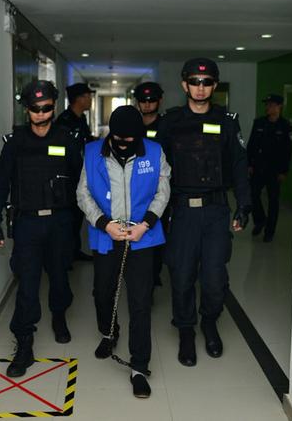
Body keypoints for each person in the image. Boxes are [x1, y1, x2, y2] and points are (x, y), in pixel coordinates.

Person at [157, 58, 251, 367]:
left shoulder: (227, 121)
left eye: (207, 82)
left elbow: (239, 165)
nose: (200, 88)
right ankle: (186, 330)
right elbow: (157, 169)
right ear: (184, 85)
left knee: (214, 276)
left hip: (215, 211)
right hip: (182, 212)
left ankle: (210, 322)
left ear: (214, 85)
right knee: (182, 275)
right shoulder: (170, 122)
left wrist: (244, 205)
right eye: (195, 82)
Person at [0, 80, 82, 378]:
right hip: (27, 223)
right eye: (35, 109)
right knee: (27, 284)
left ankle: (59, 315)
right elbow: (1, 184)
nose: (41, 114)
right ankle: (24, 342)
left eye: (47, 108)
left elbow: (81, 183)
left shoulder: (66, 139)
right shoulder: (15, 142)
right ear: (26, 110)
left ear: (54, 107)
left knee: (59, 276)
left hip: (60, 222)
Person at [76, 105, 171, 398]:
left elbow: (163, 191)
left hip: (142, 236)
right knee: (102, 293)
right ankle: (109, 332)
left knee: (140, 302)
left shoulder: (154, 152)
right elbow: (83, 193)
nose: (123, 143)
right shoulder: (92, 152)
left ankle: (139, 366)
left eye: (130, 139)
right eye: (118, 138)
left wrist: (146, 224)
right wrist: (104, 224)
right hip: (107, 235)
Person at [56, 82, 96, 263]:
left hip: (80, 174)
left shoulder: (81, 119)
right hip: (67, 177)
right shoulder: (65, 121)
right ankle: (64, 255)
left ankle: (74, 251)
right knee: (68, 217)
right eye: (88, 96)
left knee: (78, 214)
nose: (90, 100)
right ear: (79, 99)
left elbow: (85, 142)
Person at [133, 81, 167, 287]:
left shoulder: (167, 126)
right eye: (143, 100)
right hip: (136, 191)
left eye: (151, 100)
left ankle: (154, 274)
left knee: (158, 233)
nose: (147, 104)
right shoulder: (132, 124)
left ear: (159, 100)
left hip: (160, 191)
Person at [246, 94, 292, 242]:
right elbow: (251, 145)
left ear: (279, 106)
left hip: (275, 170)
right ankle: (260, 220)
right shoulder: (259, 123)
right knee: (253, 195)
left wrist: (284, 171)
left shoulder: (285, 126)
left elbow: (288, 151)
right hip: (258, 167)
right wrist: (249, 164)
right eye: (267, 104)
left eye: (271, 105)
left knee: (273, 201)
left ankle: (269, 231)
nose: (268, 107)